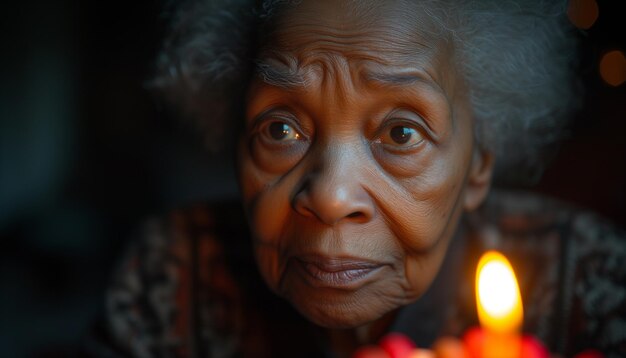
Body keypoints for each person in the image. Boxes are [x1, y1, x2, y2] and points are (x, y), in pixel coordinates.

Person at [89, 0, 626, 357]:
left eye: (400, 134)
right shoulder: (171, 269)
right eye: (280, 129)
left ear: (478, 164)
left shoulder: (593, 276)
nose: (329, 196)